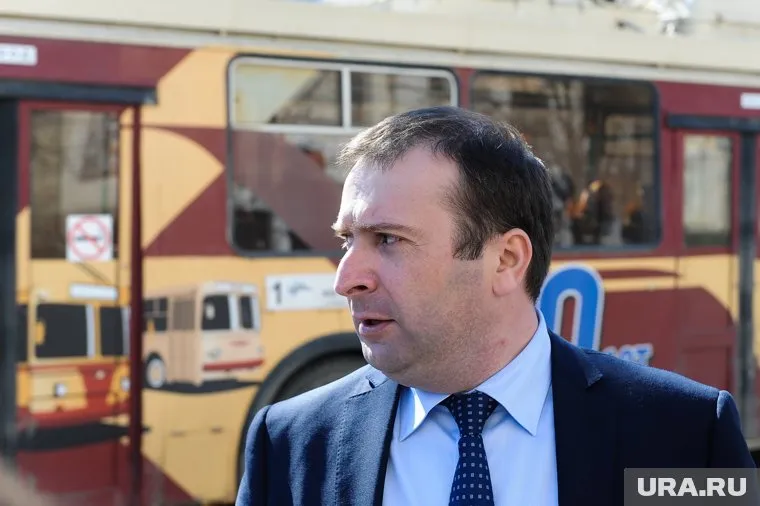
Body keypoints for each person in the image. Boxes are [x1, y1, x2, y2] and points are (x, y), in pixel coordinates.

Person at [235, 106, 756, 506]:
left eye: (388, 240)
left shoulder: (686, 432)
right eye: (347, 240)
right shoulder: (290, 443)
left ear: (506, 260)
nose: (346, 280)